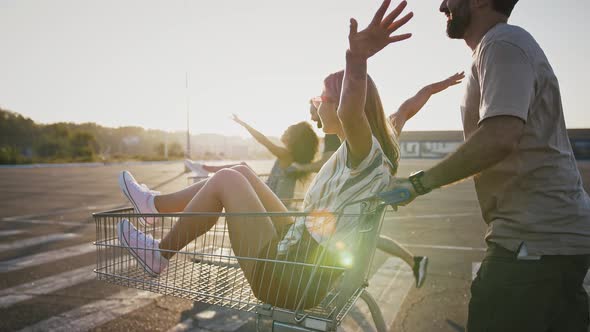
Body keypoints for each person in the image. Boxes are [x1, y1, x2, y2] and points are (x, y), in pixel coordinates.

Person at [115, 0, 414, 310]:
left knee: (228, 180)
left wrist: (357, 60)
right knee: (241, 170)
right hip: (301, 254)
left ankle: (159, 254)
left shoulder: (363, 155)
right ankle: (153, 207)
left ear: (341, 105)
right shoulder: (368, 154)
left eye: (321, 97)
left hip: (289, 276)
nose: (315, 104)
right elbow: (400, 110)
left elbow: (352, 108)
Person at [387, 0, 590, 331]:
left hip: (534, 243)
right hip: (548, 240)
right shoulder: (498, 47)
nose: (442, 5)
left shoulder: (502, 43)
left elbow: (499, 137)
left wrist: (417, 184)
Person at [185, 116, 319, 200]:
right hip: (268, 192)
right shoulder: (291, 157)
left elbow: (264, 140)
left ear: (293, 138)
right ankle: (206, 170)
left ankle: (205, 169)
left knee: (242, 167)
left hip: (269, 195)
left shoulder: (285, 154)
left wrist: (244, 124)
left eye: (287, 131)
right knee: (241, 168)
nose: (283, 132)